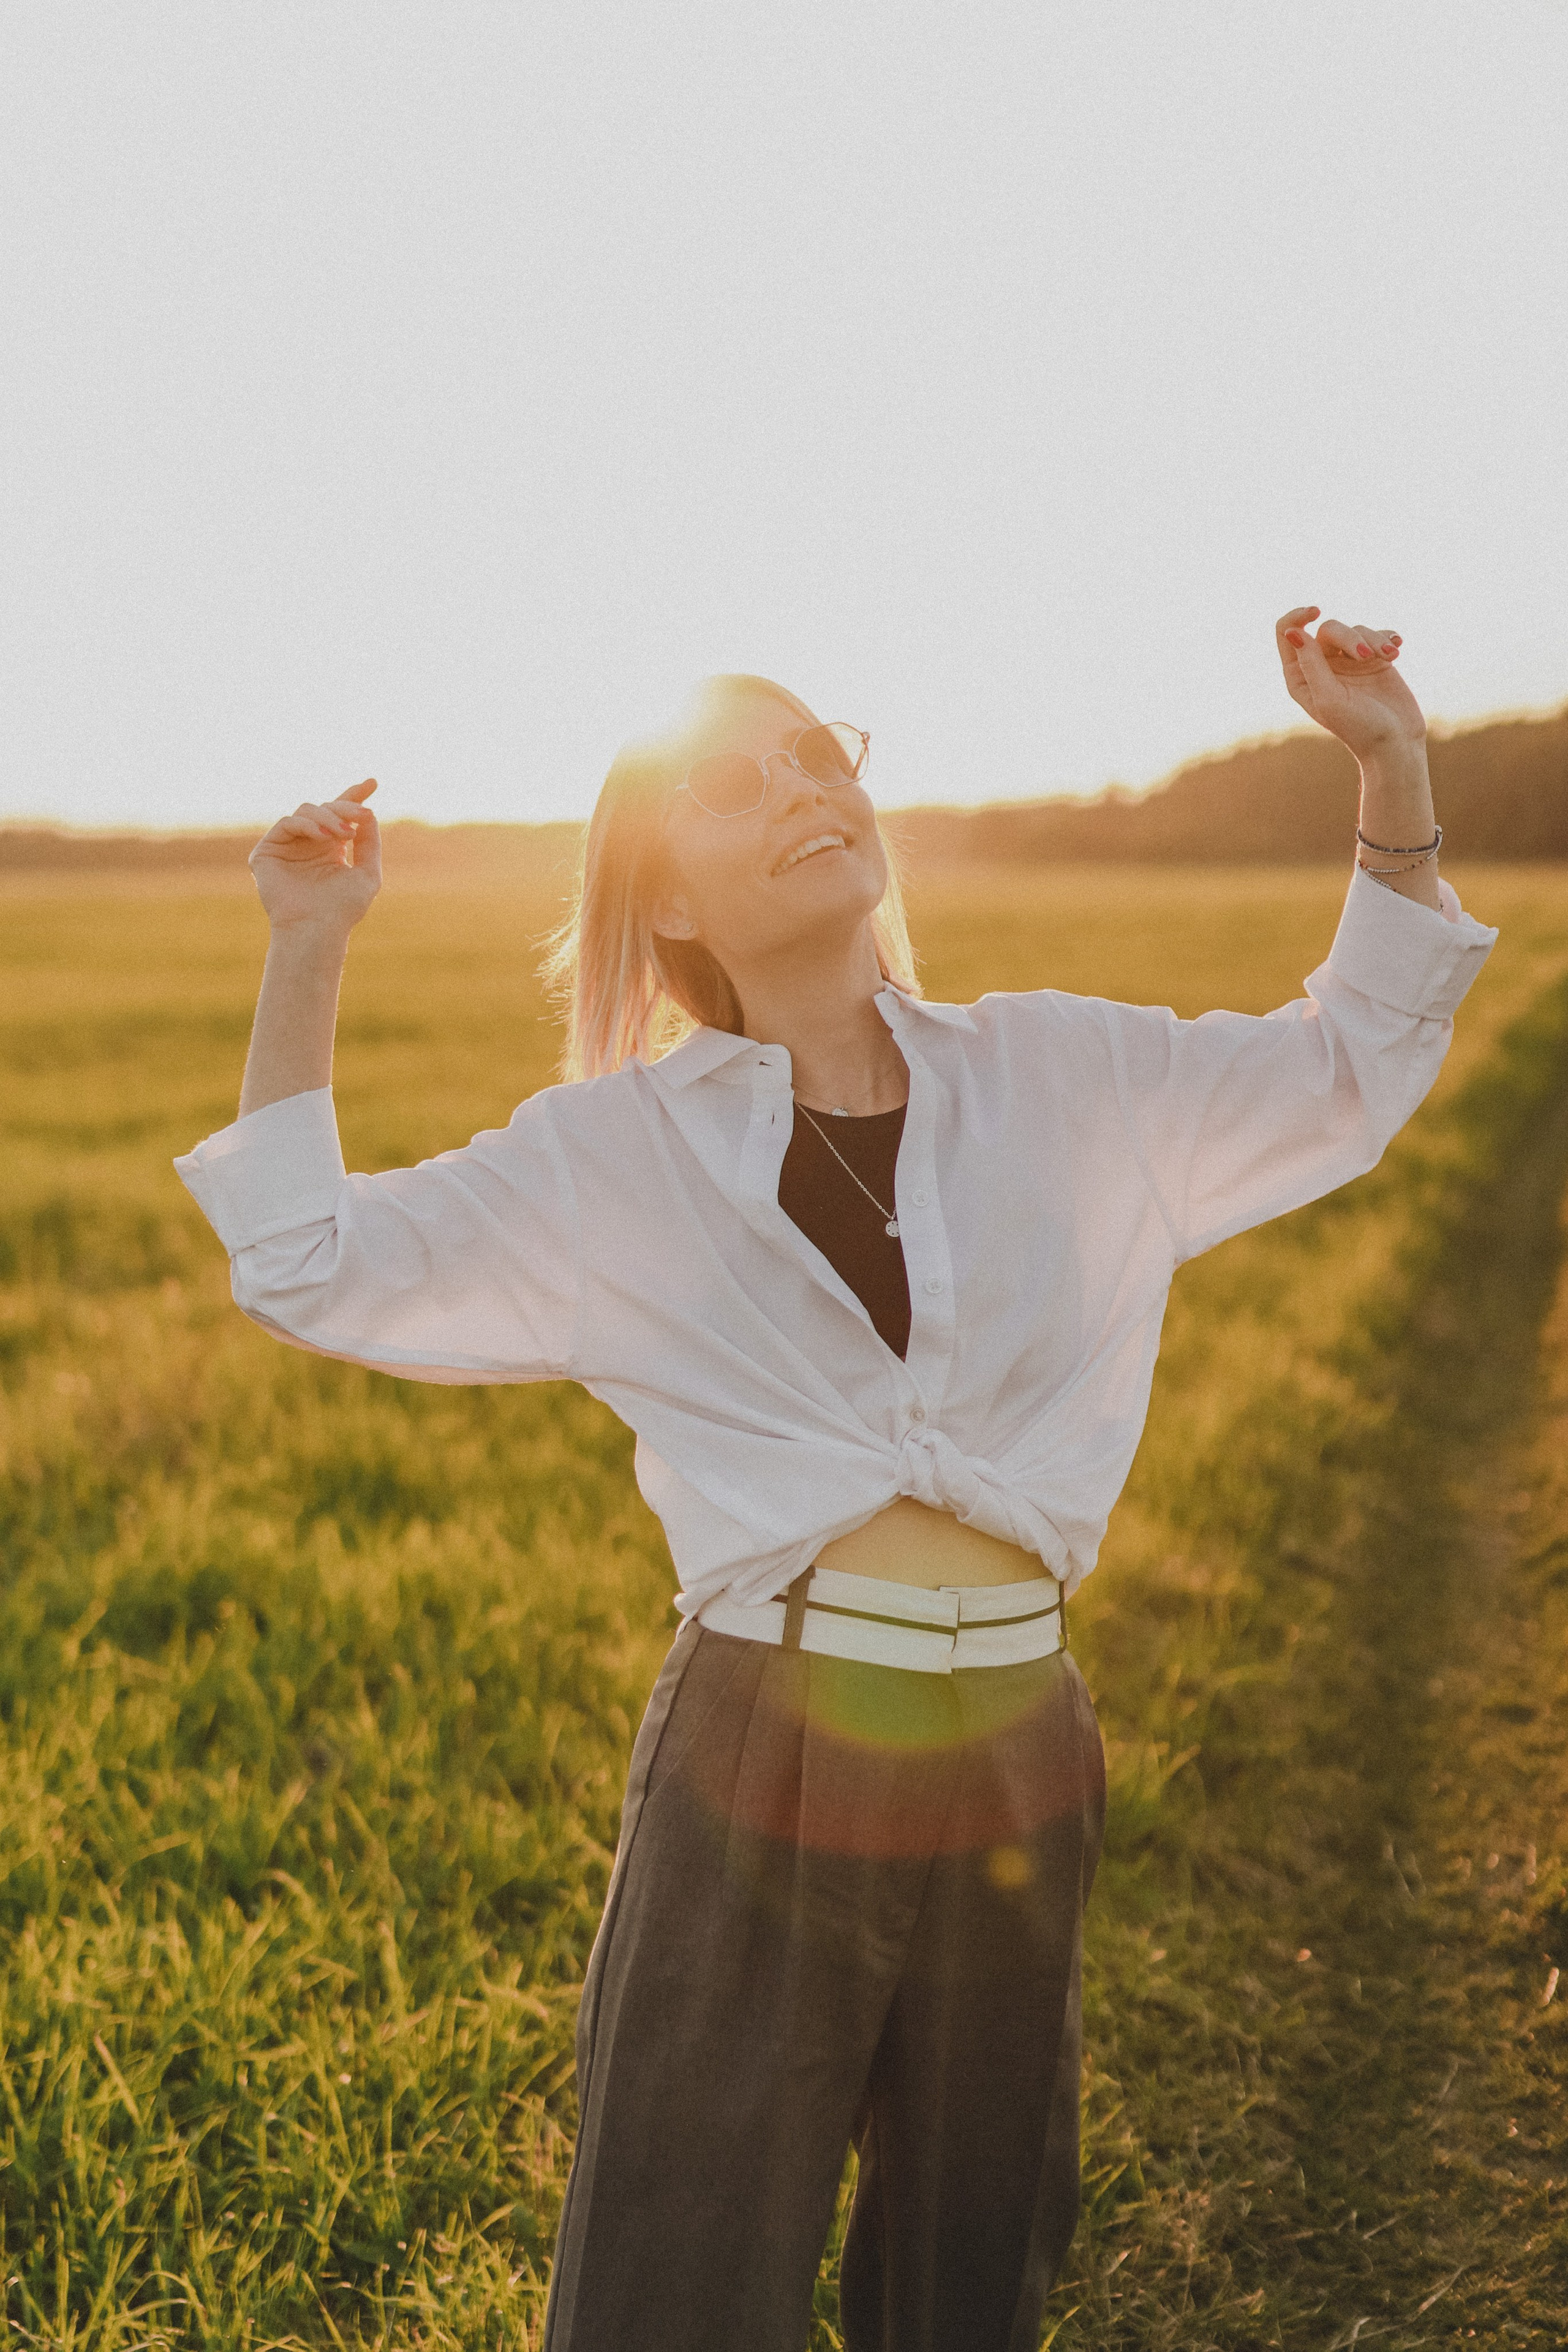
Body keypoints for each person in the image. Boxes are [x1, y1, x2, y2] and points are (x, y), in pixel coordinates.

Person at [175, 609, 1496, 2351]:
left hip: (1018, 1745)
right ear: (666, 901)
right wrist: (310, 945)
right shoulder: (618, 1157)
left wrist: (1390, 761)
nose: (805, 787)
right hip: (765, 1740)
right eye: (736, 781)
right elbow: (307, 1261)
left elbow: (1353, 1062)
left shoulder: (1065, 1077)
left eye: (821, 753)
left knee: (969, 2276)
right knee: (675, 2283)